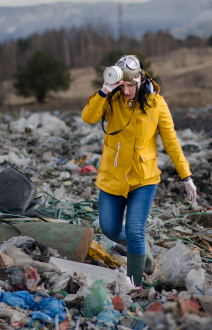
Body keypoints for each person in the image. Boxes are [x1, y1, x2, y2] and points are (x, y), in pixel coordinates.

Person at [81, 55, 197, 286]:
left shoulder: (157, 104)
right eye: (122, 86)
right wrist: (105, 90)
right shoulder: (111, 99)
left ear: (141, 80)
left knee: (135, 229)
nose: (126, 91)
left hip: (143, 178)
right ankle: (143, 251)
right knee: (110, 228)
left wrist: (186, 176)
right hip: (112, 175)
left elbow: (171, 142)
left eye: (130, 86)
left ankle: (133, 286)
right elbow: (88, 117)